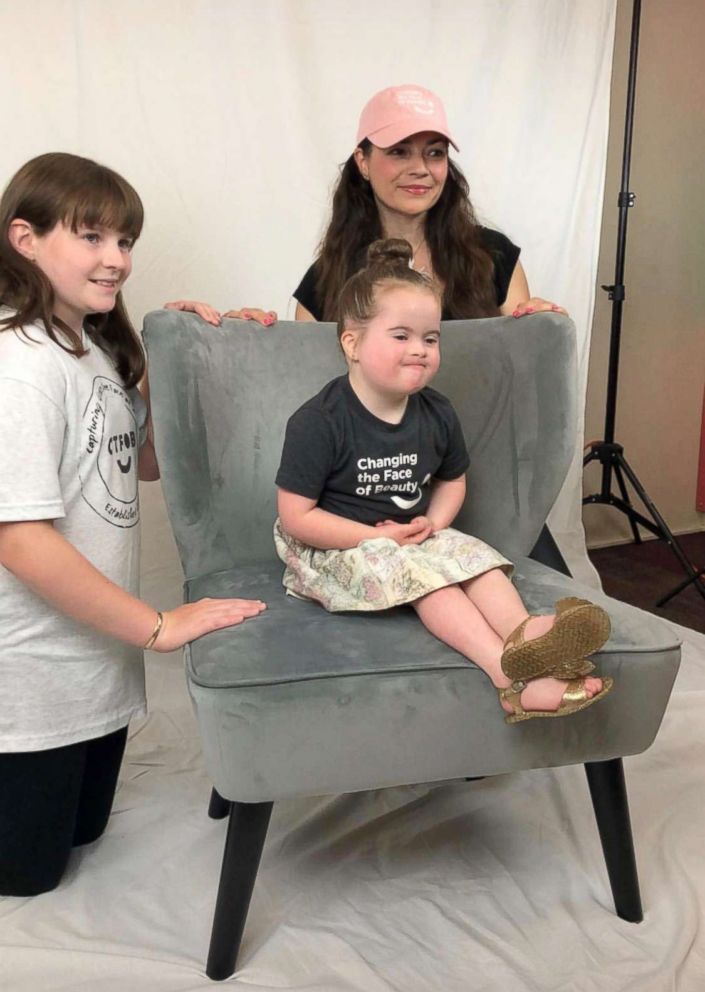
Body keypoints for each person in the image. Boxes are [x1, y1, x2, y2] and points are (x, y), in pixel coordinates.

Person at [0, 152, 266, 897]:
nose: (115, 260)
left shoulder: (92, 345)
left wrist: (187, 353)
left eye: (124, 242)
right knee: (29, 878)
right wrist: (157, 627)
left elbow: (142, 467)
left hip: (97, 666)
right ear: (25, 238)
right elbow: (19, 540)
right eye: (91, 238)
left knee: (85, 837)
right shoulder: (18, 364)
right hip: (32, 677)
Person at [274, 238, 611, 723]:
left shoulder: (436, 412)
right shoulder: (319, 421)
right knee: (434, 583)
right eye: (401, 336)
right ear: (352, 343)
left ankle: (526, 636)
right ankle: (510, 680)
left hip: (410, 534)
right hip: (334, 545)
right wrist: (375, 536)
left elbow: (453, 480)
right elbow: (297, 517)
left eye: (430, 338)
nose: (420, 350)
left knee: (479, 562)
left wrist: (434, 523)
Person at [293, 83, 566, 323]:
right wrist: (257, 336)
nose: (420, 168)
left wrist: (541, 330)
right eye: (399, 152)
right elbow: (311, 377)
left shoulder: (494, 257)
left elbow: (520, 368)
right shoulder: (324, 279)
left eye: (435, 153)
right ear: (363, 162)